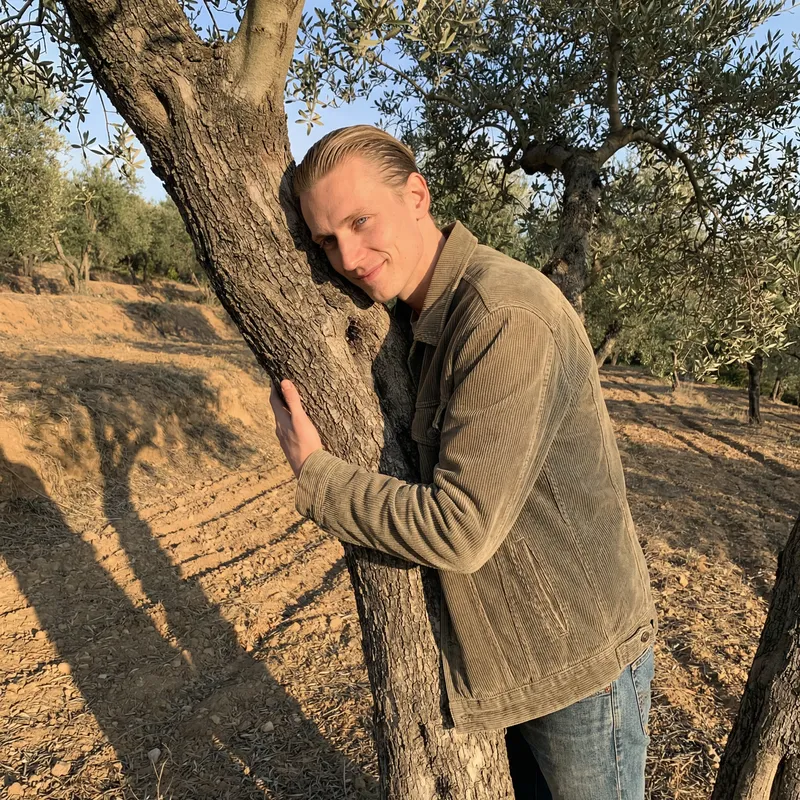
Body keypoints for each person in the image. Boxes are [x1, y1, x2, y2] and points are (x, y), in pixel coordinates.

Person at [269, 125, 657, 799]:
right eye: (328, 239)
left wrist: (318, 476)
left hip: (577, 666)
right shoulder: (426, 318)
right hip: (522, 655)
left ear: (417, 195)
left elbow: (461, 528)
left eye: (361, 222)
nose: (349, 256)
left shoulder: (503, 315)